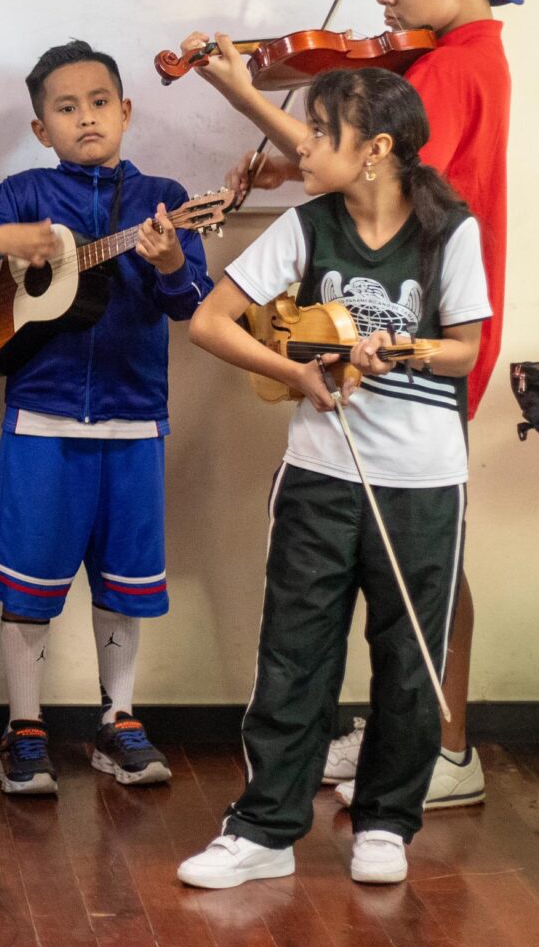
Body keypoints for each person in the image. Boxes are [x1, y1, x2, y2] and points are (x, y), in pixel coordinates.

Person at [178, 0, 516, 810]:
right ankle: (422, 732)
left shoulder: (457, 65)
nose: (385, 0)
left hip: (426, 332)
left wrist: (245, 94)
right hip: (395, 330)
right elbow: (362, 172)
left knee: (425, 556)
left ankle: (444, 744)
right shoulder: (449, 60)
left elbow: (376, 171)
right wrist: (291, 164)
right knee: (406, 547)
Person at [180, 69, 489, 889]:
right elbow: (210, 321)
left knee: (408, 659)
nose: (302, 147)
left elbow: (467, 346)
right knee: (293, 653)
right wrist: (299, 366)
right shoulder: (305, 223)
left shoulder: (450, 231)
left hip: (424, 480)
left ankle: (386, 822)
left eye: (319, 134)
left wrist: (403, 352)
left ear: (377, 149)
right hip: (321, 470)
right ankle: (264, 830)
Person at [0, 40, 209, 796]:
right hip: (42, 421)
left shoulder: (166, 197)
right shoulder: (23, 194)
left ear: (126, 110)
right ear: (41, 127)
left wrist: (172, 262)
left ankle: (118, 719)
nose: (87, 117)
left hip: (134, 420)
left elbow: (193, 306)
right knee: (30, 582)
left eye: (100, 102)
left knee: (126, 581)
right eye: (66, 107)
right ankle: (25, 726)